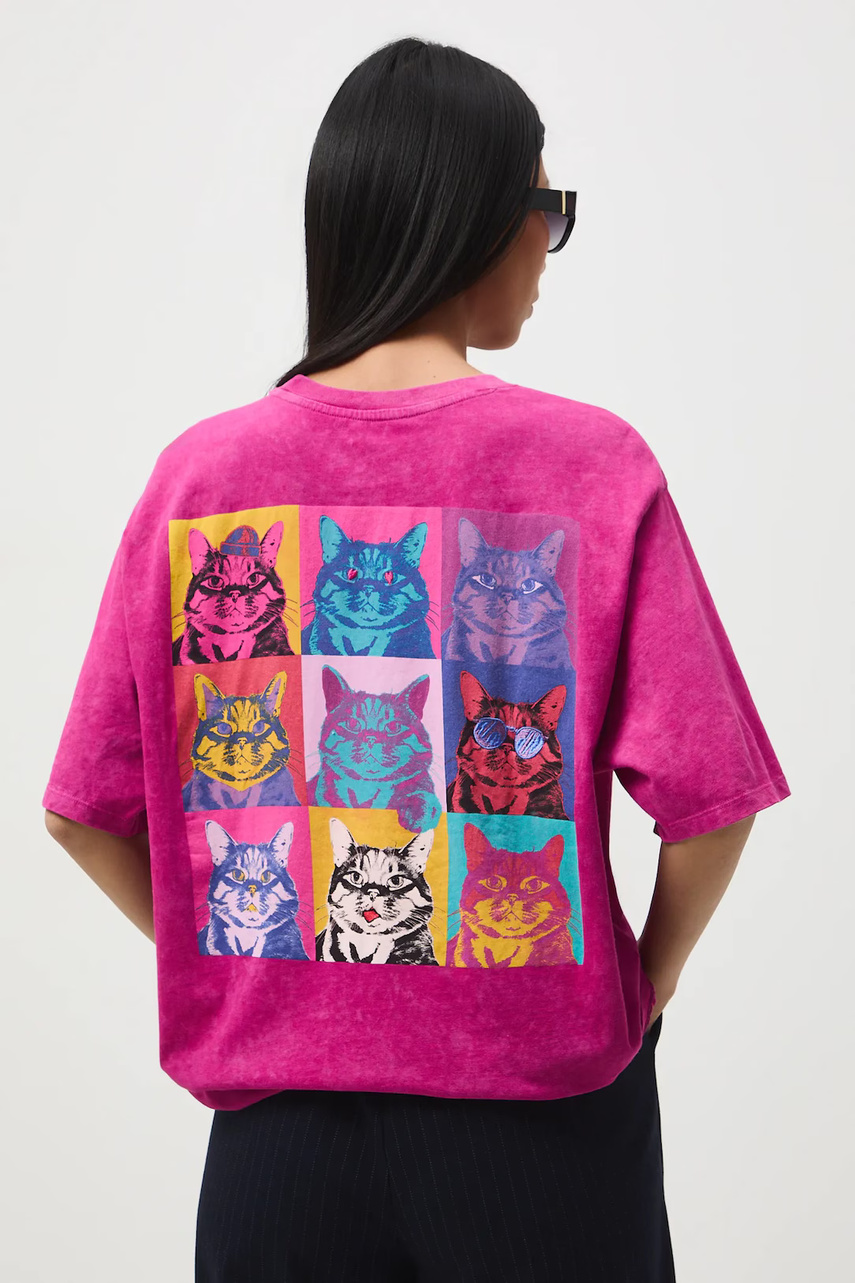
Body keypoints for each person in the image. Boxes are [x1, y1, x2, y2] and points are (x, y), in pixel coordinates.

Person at [43, 35, 791, 1283]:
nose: (547, 248)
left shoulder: (199, 481)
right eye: (545, 207)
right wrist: (638, 986)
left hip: (278, 1147)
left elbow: (83, 811)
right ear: (473, 215)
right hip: (545, 1130)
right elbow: (711, 797)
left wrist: (251, 964)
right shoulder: (592, 467)